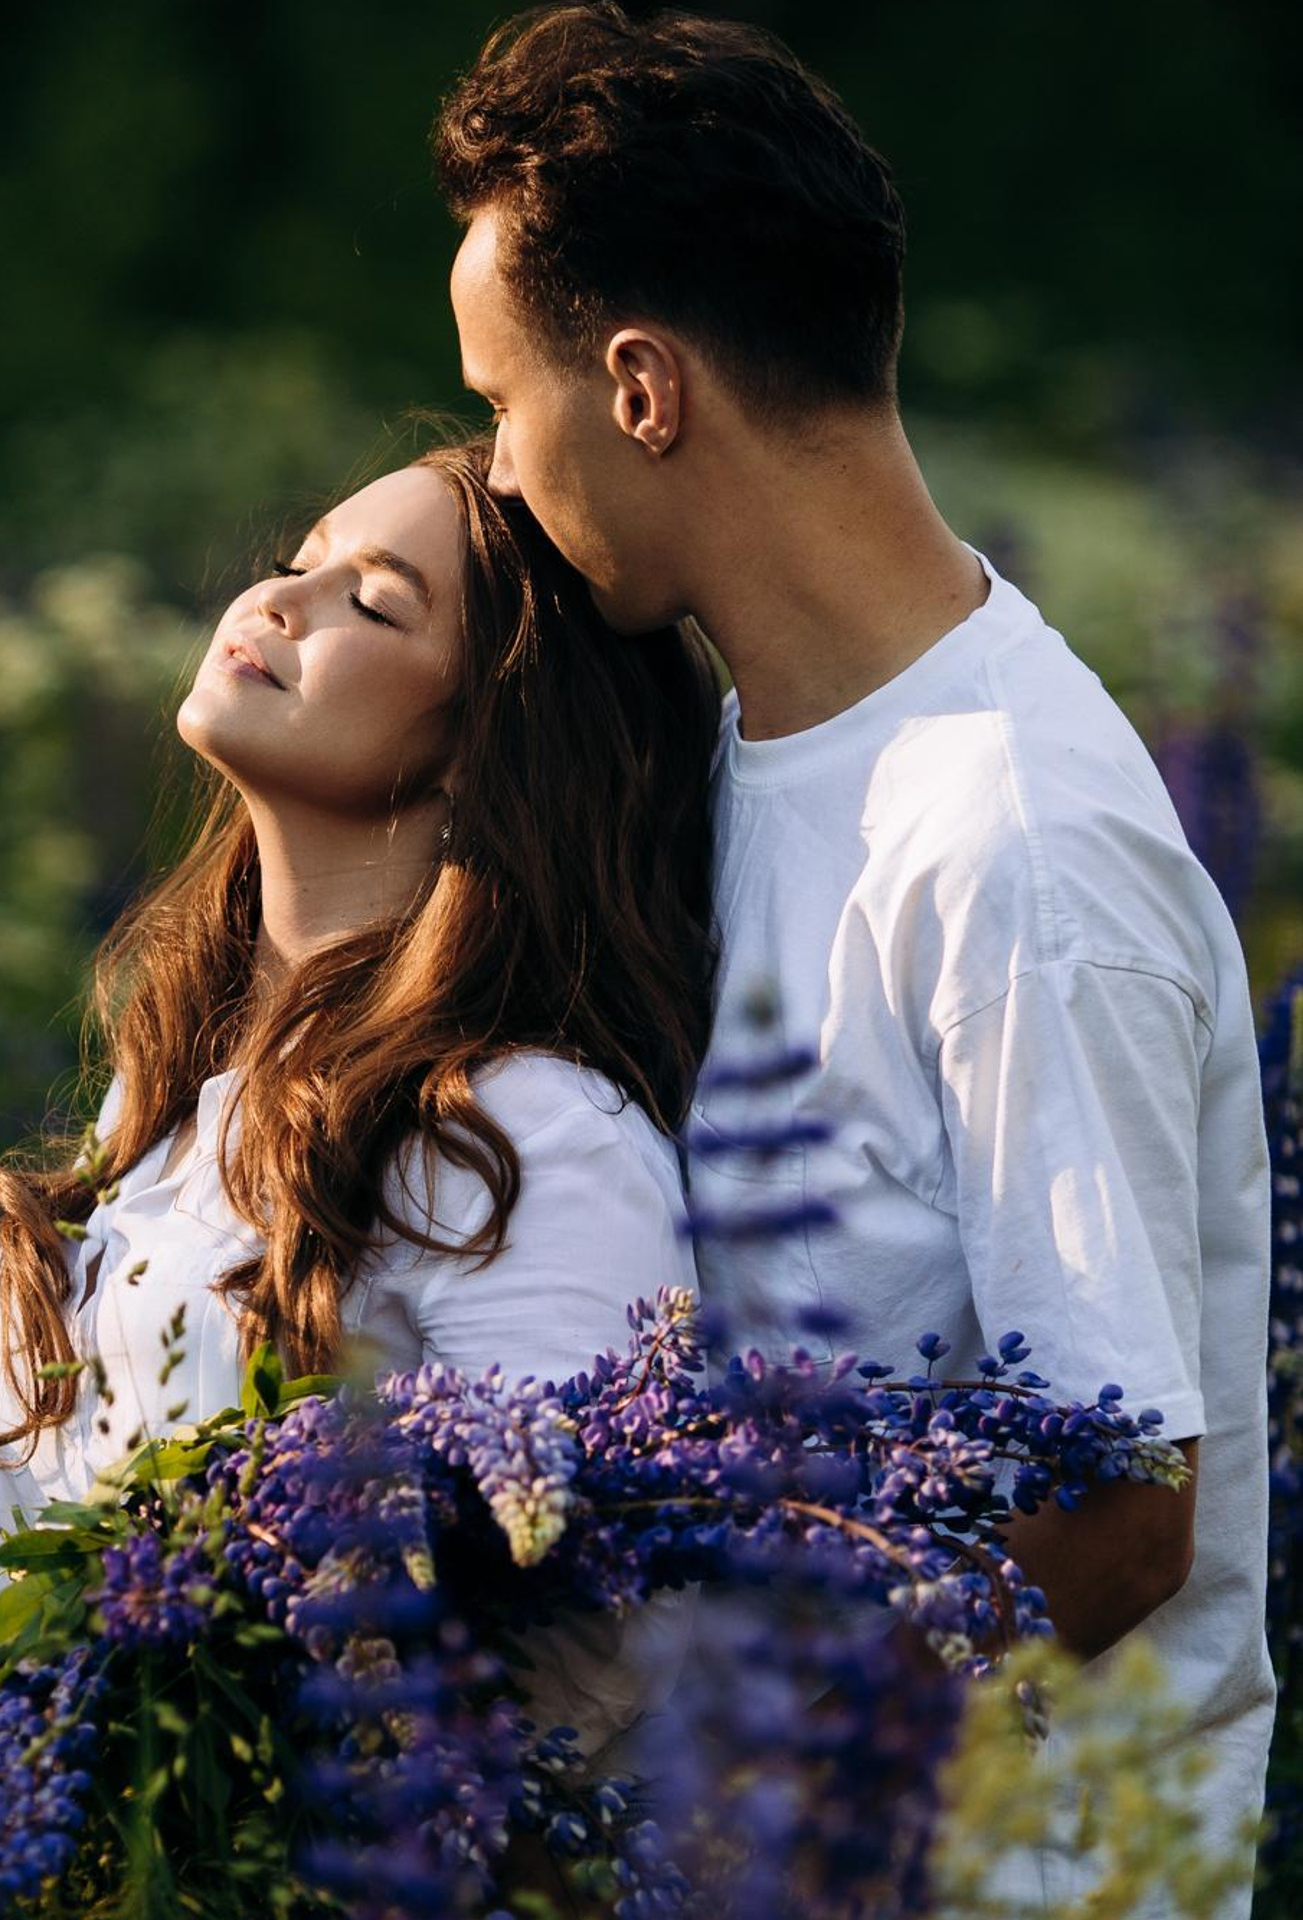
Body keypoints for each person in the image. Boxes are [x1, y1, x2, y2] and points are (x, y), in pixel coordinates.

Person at [433, 5, 1274, 1913]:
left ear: (641, 386)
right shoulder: (760, 746)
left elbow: (1127, 1514)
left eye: (503, 400)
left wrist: (729, 1786)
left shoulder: (1018, 847)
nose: (495, 471)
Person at [0, 435, 721, 1798]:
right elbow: (130, 1620)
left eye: (372, 603)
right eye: (293, 565)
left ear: (485, 749)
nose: (278, 602)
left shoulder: (525, 1131)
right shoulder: (165, 1098)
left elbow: (592, 1650)